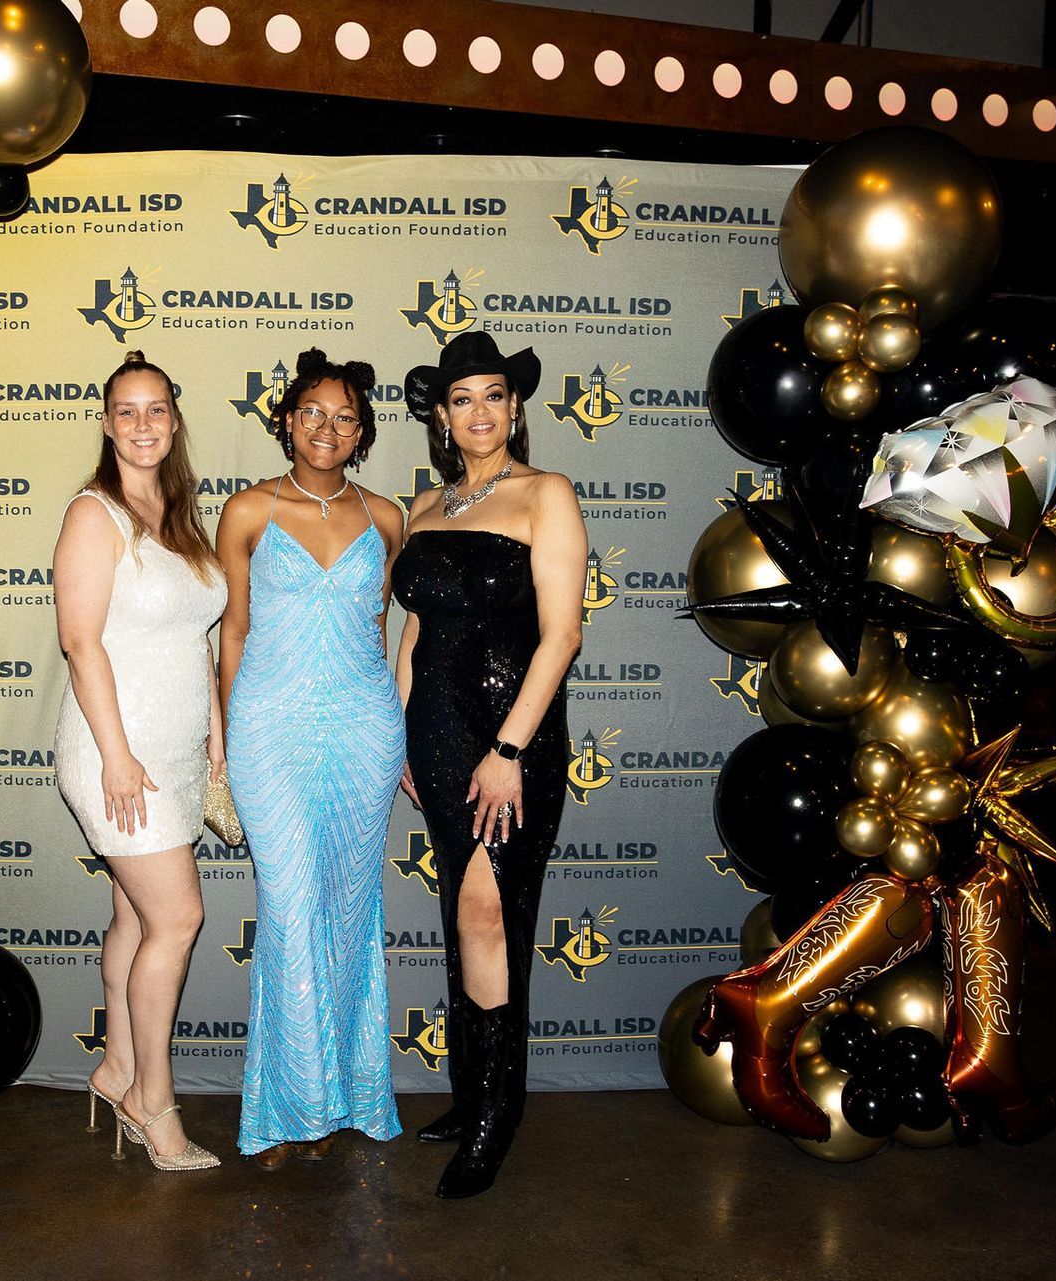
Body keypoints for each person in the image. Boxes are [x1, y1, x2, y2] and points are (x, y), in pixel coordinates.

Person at [391, 331, 587, 1199]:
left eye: (495, 395)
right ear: (441, 414)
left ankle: (496, 1111)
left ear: (515, 407)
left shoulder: (548, 493)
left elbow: (564, 633)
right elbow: (415, 630)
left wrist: (509, 748)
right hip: (433, 735)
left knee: (488, 913)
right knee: (460, 910)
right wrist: (398, 733)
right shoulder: (427, 507)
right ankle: (470, 1091)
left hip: (514, 736)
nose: (480, 411)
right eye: (461, 397)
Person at [217, 349, 407, 1169]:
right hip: (270, 727)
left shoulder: (390, 517)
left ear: (361, 433)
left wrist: (398, 716)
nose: (327, 427)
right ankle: (291, 1106)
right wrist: (224, 744)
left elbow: (385, 630)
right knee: (291, 910)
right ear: (286, 420)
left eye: (345, 417)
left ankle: (356, 1095)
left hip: (363, 727)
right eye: (312, 413)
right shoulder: (248, 511)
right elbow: (231, 631)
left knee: (350, 912)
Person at [53, 350, 227, 1173]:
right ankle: (152, 1098)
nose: (143, 423)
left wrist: (214, 736)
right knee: (178, 918)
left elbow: (197, 641)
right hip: (117, 754)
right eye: (126, 410)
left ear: (175, 418)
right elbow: (80, 642)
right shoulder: (96, 513)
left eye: (156, 408)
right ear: (106, 422)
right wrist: (117, 757)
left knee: (133, 916)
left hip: (176, 751)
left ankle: (118, 1065)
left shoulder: (181, 512)